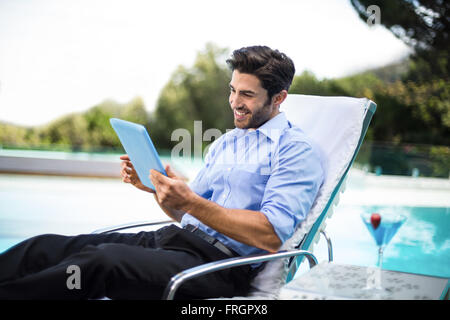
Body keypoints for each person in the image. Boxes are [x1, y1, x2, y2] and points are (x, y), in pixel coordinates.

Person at [0, 46, 324, 300]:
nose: (234, 102)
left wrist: (192, 203)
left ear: (279, 98)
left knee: (99, 263)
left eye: (247, 95)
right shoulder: (228, 143)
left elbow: (269, 234)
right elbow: (185, 213)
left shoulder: (294, 150)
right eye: (233, 90)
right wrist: (159, 188)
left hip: (216, 268)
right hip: (174, 242)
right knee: (50, 247)